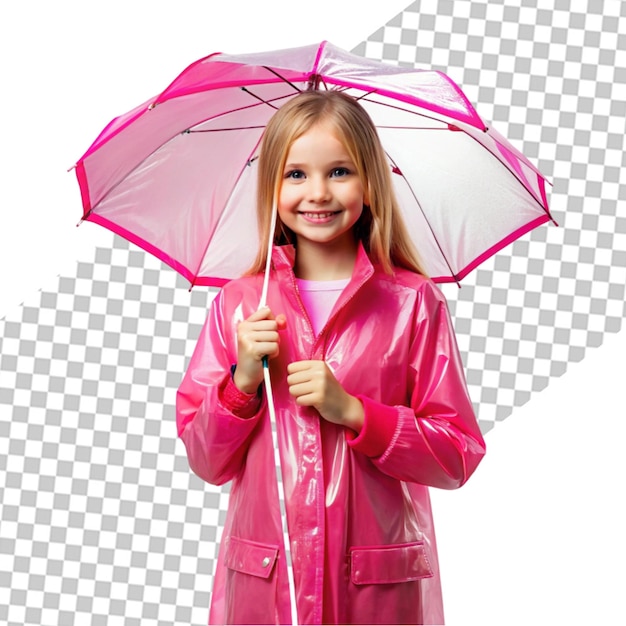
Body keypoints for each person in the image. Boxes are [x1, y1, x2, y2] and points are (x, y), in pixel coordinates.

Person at [176, 90, 486, 625]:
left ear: (371, 180)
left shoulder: (411, 303)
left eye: (339, 171)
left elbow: (457, 454)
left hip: (376, 589)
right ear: (270, 184)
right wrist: (241, 382)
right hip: (267, 585)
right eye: (295, 174)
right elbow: (206, 461)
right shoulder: (240, 304)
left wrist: (357, 412)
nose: (317, 192)